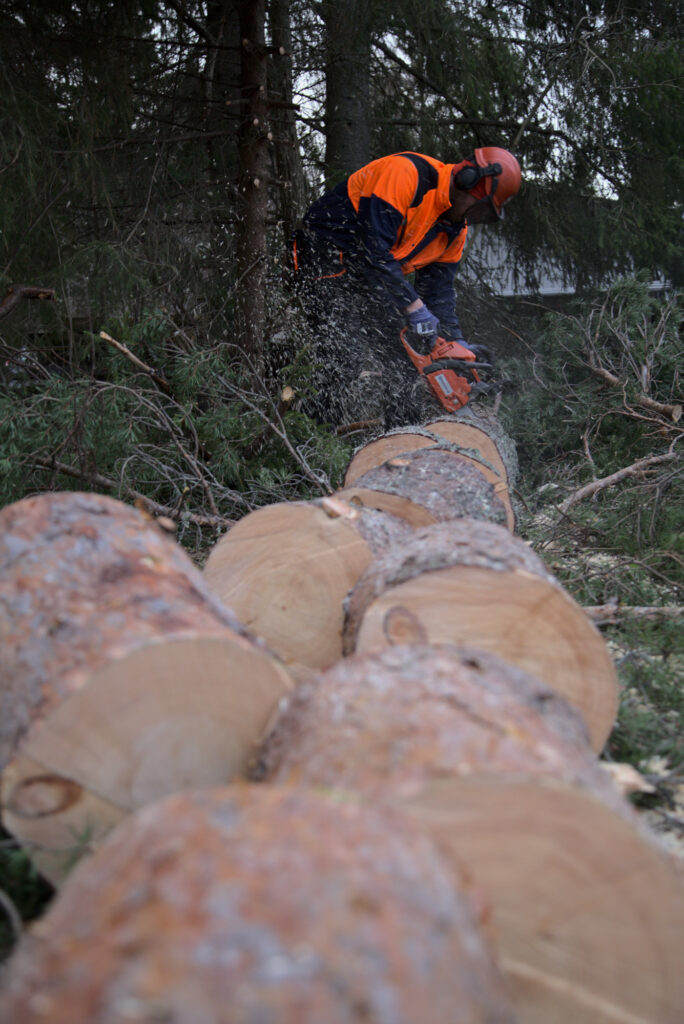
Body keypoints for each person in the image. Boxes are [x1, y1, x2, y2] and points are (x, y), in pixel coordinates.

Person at [291, 147, 521, 427]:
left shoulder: (454, 232)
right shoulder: (406, 174)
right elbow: (374, 250)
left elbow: (438, 293)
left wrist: (454, 343)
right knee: (344, 355)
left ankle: (403, 437)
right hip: (323, 254)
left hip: (372, 275)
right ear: (467, 180)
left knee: (405, 362)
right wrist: (414, 307)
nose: (475, 217)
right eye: (480, 208)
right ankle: (310, 433)